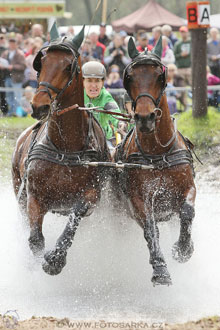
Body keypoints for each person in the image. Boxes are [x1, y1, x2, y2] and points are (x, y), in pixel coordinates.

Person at [82, 61, 121, 149]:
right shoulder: (77, 95)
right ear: (83, 82)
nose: (93, 85)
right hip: (80, 139)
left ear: (102, 82)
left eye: (97, 80)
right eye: (89, 80)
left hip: (102, 140)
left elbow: (115, 113)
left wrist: (120, 123)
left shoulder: (106, 97)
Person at [1, 34, 26, 116]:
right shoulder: (5, 53)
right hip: (7, 77)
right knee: (9, 96)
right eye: (10, 43)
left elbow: (23, 66)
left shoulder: (20, 54)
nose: (11, 45)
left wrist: (13, 66)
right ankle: (11, 111)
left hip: (16, 78)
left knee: (17, 96)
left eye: (13, 43)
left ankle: (17, 112)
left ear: (16, 44)